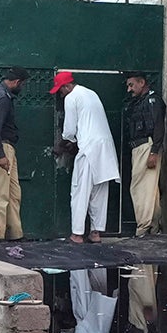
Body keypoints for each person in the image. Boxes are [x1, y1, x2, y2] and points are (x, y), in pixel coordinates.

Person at [54, 70, 120, 241]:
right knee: (99, 192)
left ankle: (77, 234)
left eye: (60, 90)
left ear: (67, 86)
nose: (60, 94)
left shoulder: (71, 97)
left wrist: (64, 143)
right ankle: (96, 232)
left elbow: (69, 129)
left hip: (89, 148)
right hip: (105, 148)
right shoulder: (91, 93)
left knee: (80, 190)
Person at [0, 68, 26, 240]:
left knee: (13, 193)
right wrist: (0, 154)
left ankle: (15, 233)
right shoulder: (3, 98)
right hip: (1, 147)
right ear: (17, 82)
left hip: (5, 148)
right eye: (22, 84)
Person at [120, 69, 165, 234]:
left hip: (147, 147)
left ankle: (143, 229)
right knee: (148, 189)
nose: (129, 89)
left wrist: (154, 151)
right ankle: (153, 227)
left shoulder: (153, 100)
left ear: (142, 83)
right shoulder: (141, 101)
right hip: (140, 148)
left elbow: (159, 126)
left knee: (140, 189)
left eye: (131, 85)